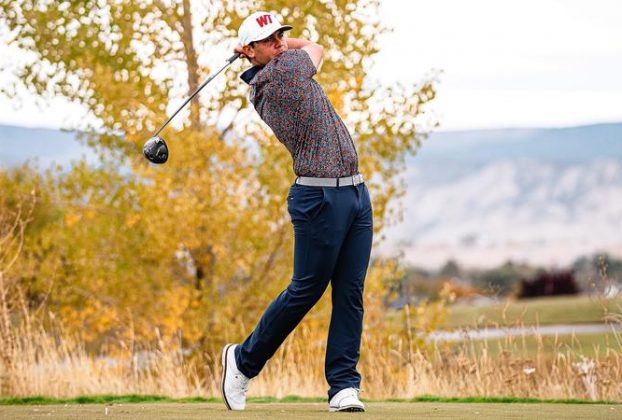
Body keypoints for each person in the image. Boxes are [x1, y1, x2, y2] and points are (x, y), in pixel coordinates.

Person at [221, 11, 373, 413]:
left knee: (350, 292)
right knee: (305, 290)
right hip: (318, 199)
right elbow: (316, 46)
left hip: (355, 193)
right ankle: (243, 361)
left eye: (281, 36)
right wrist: (281, 48)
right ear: (251, 50)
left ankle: (343, 386)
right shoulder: (282, 75)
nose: (280, 43)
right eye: (269, 40)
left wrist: (260, 49)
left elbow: (301, 50)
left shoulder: (275, 69)